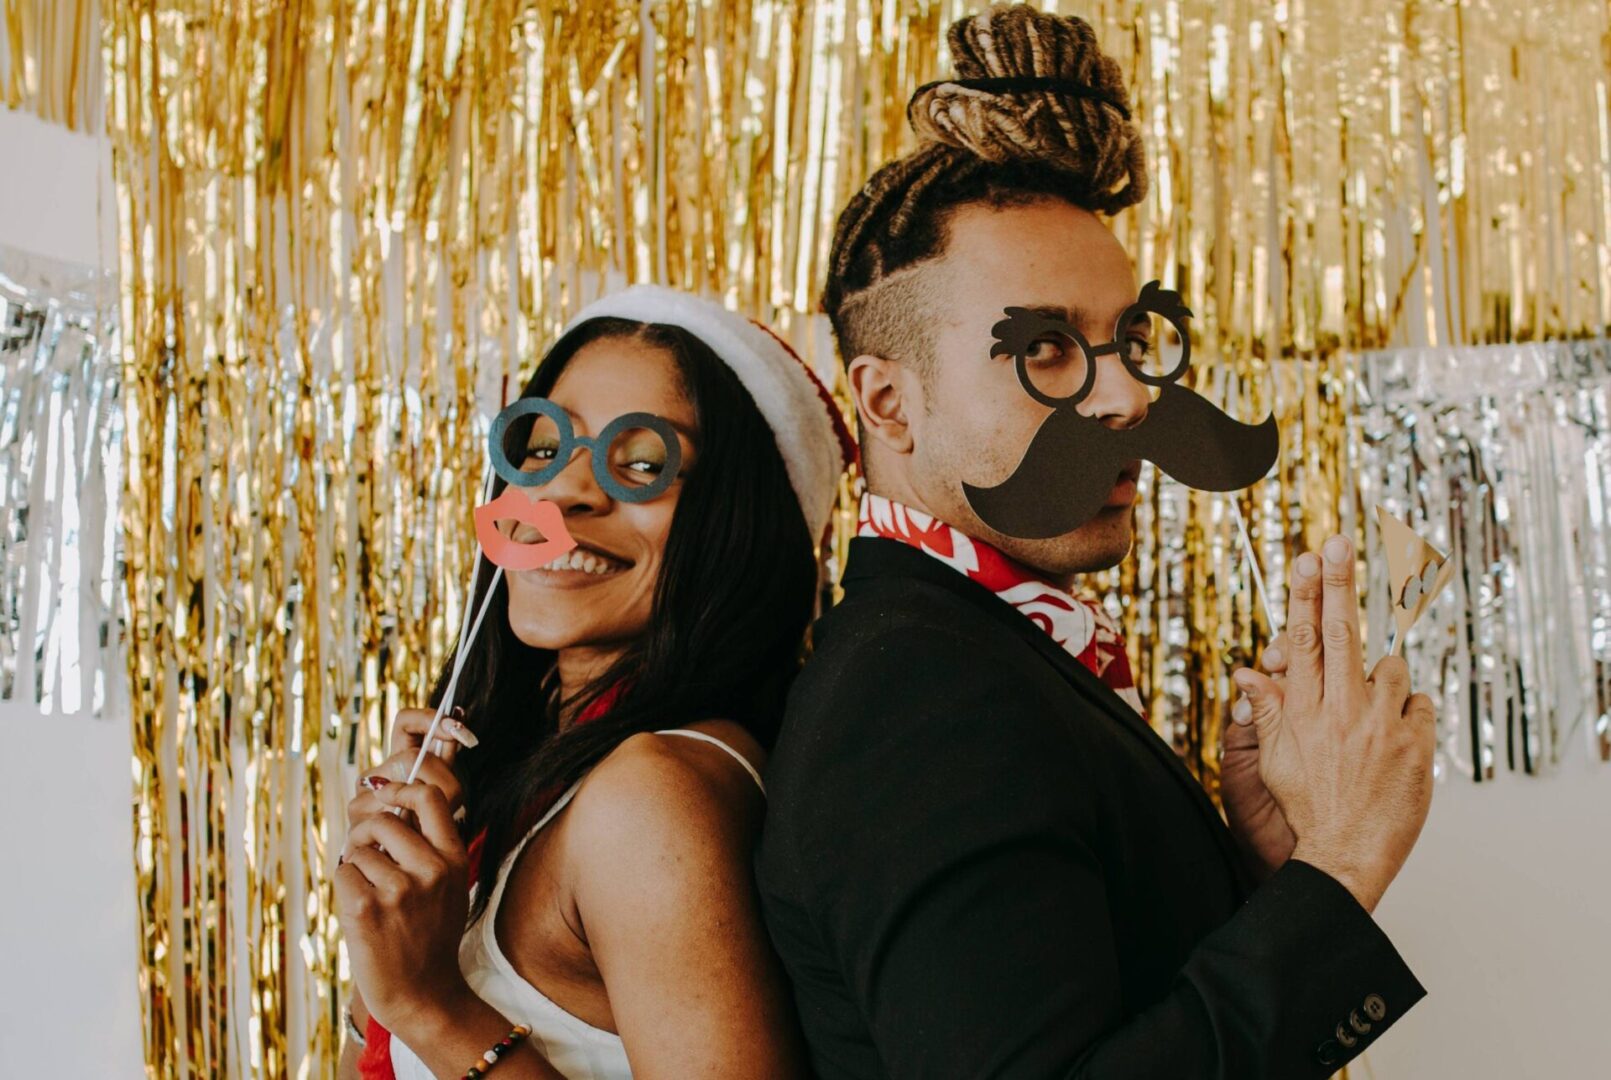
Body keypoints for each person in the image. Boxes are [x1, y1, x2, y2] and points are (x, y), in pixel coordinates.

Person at [755, 6, 1435, 1078]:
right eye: (1047, 351)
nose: (1126, 396)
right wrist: (1345, 868)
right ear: (888, 404)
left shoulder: (976, 648)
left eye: (1128, 343)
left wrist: (1263, 869)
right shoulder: (917, 696)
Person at [334, 285, 853, 1080]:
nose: (566, 492)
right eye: (540, 449)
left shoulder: (652, 798)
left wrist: (431, 1005)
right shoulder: (536, 767)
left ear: (741, 525)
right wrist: (389, 934)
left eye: (644, 463)